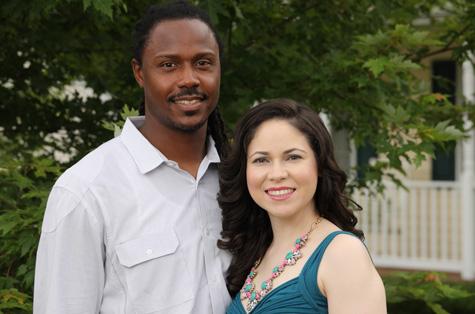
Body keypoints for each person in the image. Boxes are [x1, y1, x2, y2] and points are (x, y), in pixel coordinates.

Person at [33, 1, 231, 313]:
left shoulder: (243, 180)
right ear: (139, 72)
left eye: (203, 63)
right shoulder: (86, 191)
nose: (189, 78)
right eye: (168, 65)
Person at [218, 99, 387, 313]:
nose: (277, 174)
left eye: (293, 157)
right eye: (261, 160)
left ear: (319, 164)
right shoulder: (253, 251)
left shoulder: (343, 254)